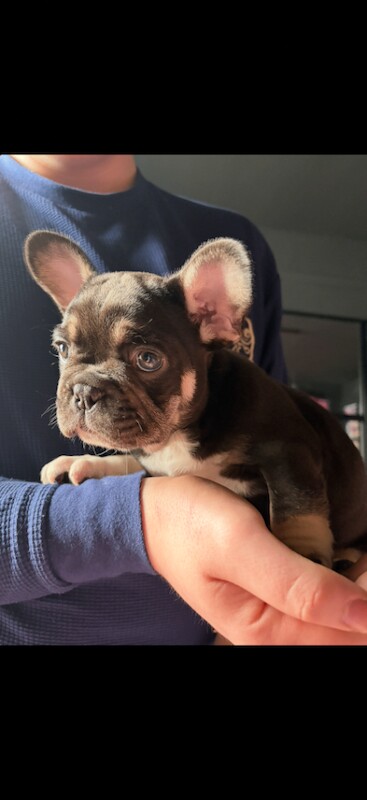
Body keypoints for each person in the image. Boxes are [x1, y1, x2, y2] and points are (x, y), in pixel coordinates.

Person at [1, 153, 367, 646]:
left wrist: (310, 555)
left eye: (146, 359)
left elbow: (282, 450)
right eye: (66, 349)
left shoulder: (235, 239)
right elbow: (168, 467)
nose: (83, 392)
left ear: (216, 320)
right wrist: (134, 515)